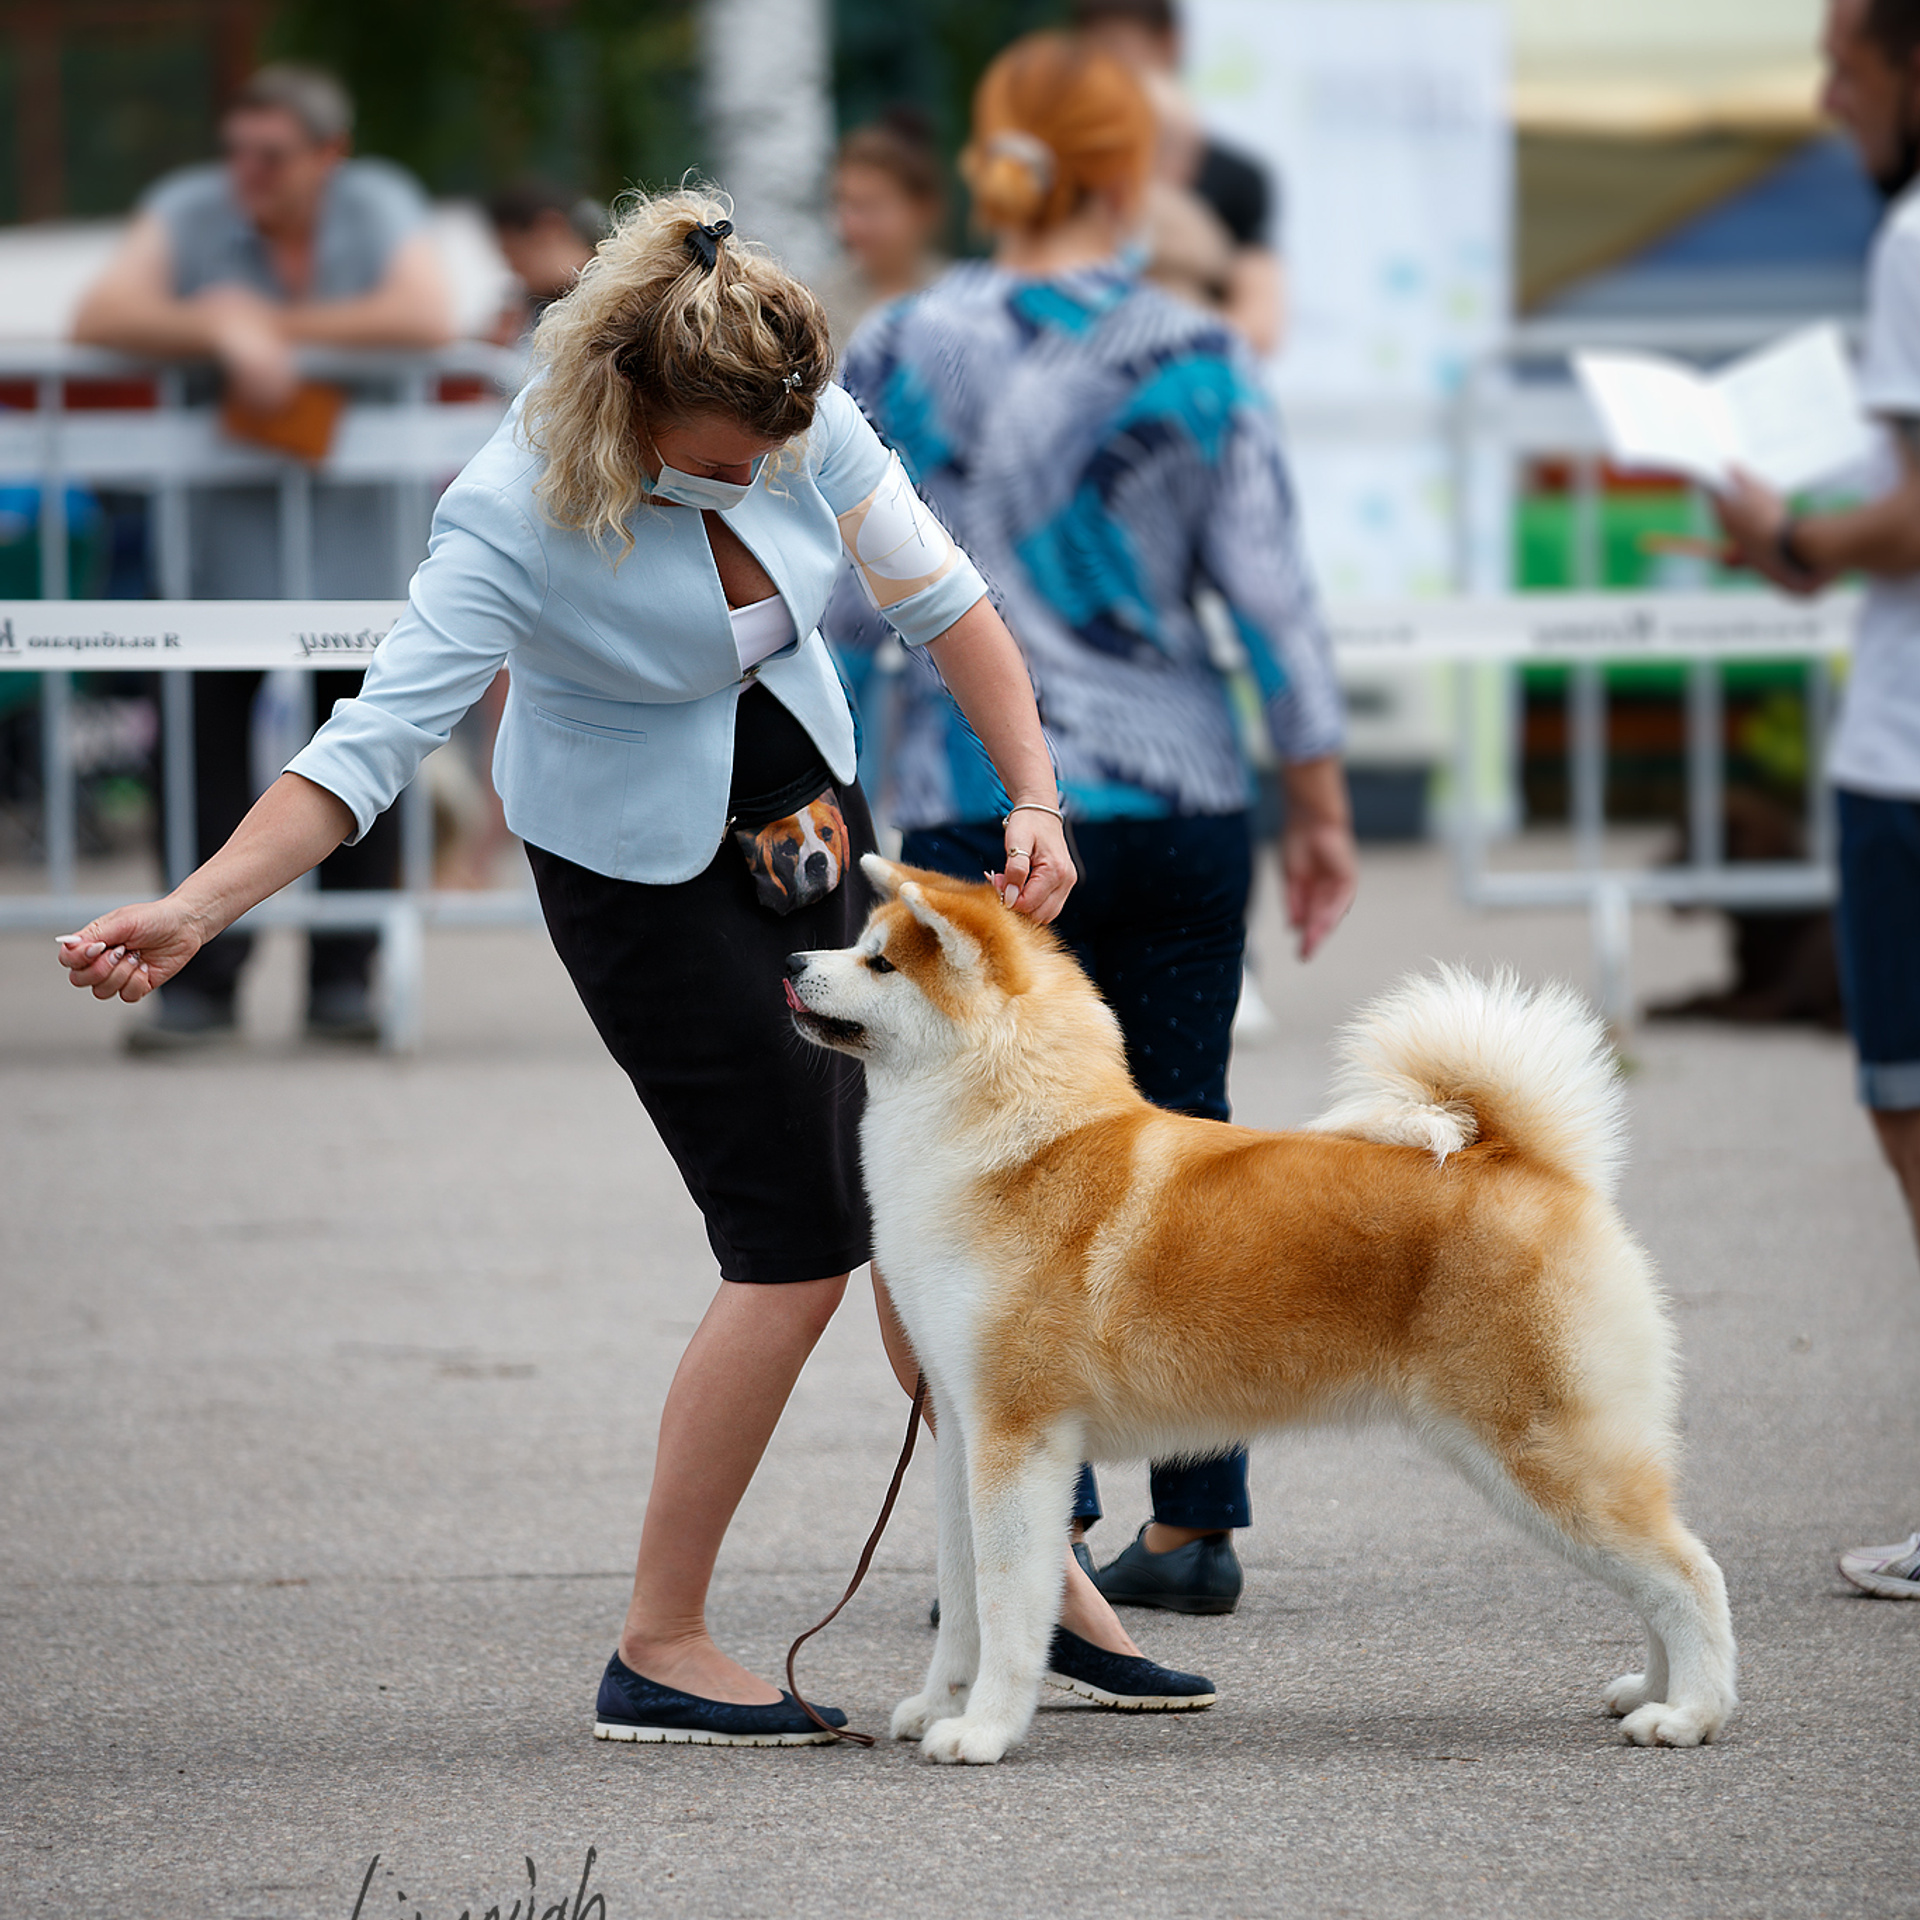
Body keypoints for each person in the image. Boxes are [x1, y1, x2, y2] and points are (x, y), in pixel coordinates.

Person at [57, 187, 1206, 1741]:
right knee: (793, 1247)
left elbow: (947, 602)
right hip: (637, 877)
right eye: (728, 459)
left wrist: (1037, 796)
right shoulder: (513, 506)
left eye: (778, 450)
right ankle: (657, 1646)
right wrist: (196, 909)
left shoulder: (795, 413)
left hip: (806, 812)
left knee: (929, 1210)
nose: (764, 475)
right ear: (631, 404)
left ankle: (1037, 1594)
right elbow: (372, 744)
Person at [832, 34, 1356, 1620]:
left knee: (982, 1166)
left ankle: (1029, 1533)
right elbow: (1271, 595)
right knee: (1185, 1144)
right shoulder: (1193, 345)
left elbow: (848, 595)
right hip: (1179, 792)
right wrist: (1319, 797)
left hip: (971, 802)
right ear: (1135, 176)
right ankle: (1196, 1528)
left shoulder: (904, 343)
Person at [70, 63, 455, 1048]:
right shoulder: (190, 207)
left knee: (364, 755)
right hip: (213, 554)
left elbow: (425, 315)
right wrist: (217, 325)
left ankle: (347, 975)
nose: (247, 172)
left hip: (363, 552)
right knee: (197, 761)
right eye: (236, 150)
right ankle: (197, 978)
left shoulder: (379, 204)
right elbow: (100, 316)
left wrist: (272, 331)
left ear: (332, 155)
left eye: (273, 155)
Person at [1714, 0, 1920, 1600]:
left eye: (1846, 64)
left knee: (1910, 1111)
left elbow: (1915, 518)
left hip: (1908, 760)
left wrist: (1792, 534)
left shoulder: (1912, 237)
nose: (1825, 94)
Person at [1072, 0, 1285, 357]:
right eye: (1089, 50)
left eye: (1114, 46)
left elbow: (1261, 325)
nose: (1102, 67)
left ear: (1168, 44)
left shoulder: (1238, 180)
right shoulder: (1076, 170)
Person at [816, 110, 948, 356]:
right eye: (843, 204)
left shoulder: (962, 302)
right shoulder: (817, 306)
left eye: (870, 207)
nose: (850, 225)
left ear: (923, 209)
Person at [485, 179, 604, 344]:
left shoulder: (616, 300)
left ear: (550, 228)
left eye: (515, 253)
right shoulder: (530, 308)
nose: (514, 269)